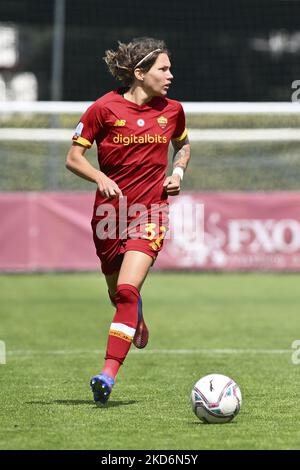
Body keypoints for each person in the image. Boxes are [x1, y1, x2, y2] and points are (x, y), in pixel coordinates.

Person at [66, 37, 191, 405]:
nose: (170, 75)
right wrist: (99, 177)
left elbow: (183, 145)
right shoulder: (103, 109)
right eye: (162, 69)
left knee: (125, 292)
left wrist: (178, 172)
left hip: (150, 213)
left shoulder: (173, 110)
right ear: (140, 73)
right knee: (117, 294)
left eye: (169, 69)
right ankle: (134, 315)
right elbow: (73, 158)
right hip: (108, 218)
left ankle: (107, 374)